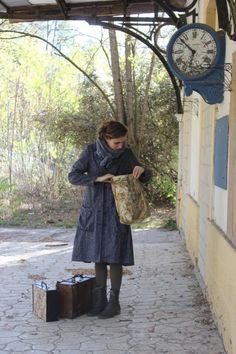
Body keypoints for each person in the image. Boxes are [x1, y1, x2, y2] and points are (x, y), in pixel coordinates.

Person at [68, 120, 151, 319]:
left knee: (114, 256)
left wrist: (142, 171)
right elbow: (73, 175)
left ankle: (114, 303)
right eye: (117, 143)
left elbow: (146, 177)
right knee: (98, 256)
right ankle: (100, 301)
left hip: (117, 212)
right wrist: (96, 179)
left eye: (123, 142)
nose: (121, 146)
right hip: (94, 211)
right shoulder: (90, 152)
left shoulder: (126, 154)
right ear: (106, 138)